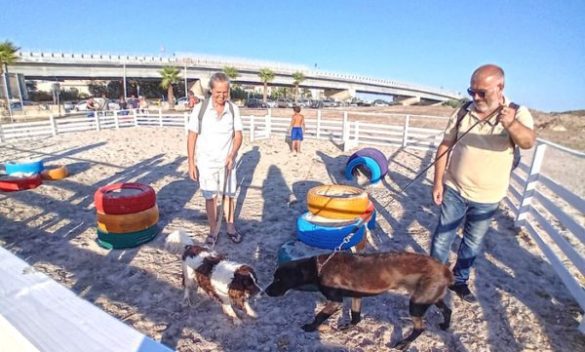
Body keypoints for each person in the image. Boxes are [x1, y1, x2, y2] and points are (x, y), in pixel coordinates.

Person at [430, 64, 536, 303]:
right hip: (455, 188)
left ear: (500, 88)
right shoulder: (462, 112)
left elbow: (528, 142)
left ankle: (460, 280)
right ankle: (434, 280)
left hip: (489, 196)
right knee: (442, 238)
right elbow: (445, 146)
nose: (475, 97)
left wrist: (511, 124)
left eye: (482, 93)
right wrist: (438, 182)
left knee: (472, 241)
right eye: (472, 91)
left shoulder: (518, 113)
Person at [187, 72, 244, 246]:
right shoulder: (200, 109)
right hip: (206, 162)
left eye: (225, 92)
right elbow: (192, 136)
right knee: (210, 197)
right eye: (218, 92)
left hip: (227, 163)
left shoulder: (233, 109)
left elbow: (238, 135)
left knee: (229, 196)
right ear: (211, 90)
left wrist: (232, 154)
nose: (221, 96)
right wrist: (191, 162)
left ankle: (231, 227)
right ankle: (213, 230)